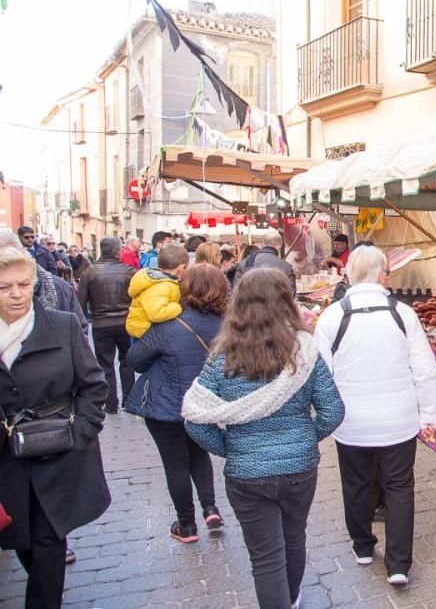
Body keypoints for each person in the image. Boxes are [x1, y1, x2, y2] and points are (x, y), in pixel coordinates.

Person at [183, 269, 344, 609]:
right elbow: (332, 412)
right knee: (294, 536)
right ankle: (293, 598)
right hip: (299, 468)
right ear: (286, 302)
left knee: (265, 558)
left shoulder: (222, 359)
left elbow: (196, 419)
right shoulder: (305, 352)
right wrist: (304, 438)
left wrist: (230, 448)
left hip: (246, 474)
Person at [313, 245, 436, 587]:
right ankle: (398, 564)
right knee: (399, 488)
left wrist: (324, 417)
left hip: (351, 423)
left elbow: (319, 374)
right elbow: (425, 370)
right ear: (382, 275)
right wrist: (430, 416)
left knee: (357, 485)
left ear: (349, 274)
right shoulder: (403, 314)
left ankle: (363, 547)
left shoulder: (331, 317)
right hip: (398, 422)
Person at [0, 247, 111, 609]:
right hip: (8, 459)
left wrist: (82, 433)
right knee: (21, 538)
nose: (16, 293)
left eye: (23, 284)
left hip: (58, 450)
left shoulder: (62, 326)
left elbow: (94, 385)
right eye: (5, 287)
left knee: (49, 539)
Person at [126, 265, 228, 543]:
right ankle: (210, 508)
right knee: (198, 454)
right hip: (204, 404)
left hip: (165, 405)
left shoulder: (169, 324)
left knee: (175, 464)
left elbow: (136, 360)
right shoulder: (228, 325)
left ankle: (186, 525)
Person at [78, 237, 136, 413]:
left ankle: (111, 405)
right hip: (125, 323)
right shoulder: (129, 272)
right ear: (118, 251)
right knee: (127, 361)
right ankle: (129, 400)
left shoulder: (89, 272)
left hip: (101, 324)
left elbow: (80, 303)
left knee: (106, 365)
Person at [126, 244, 189, 339]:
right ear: (181, 268)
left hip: (149, 330)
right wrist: (179, 307)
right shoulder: (160, 285)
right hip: (145, 333)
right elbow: (157, 314)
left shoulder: (165, 281)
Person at [233, 229, 296, 295]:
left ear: (264, 244)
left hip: (249, 304)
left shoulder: (244, 263)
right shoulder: (286, 266)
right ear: (279, 246)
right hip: (276, 305)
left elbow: (236, 293)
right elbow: (290, 296)